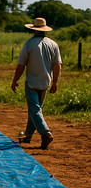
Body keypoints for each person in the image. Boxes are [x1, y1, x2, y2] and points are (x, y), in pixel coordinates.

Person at [11, 16, 62, 150]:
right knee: (35, 111)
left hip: (32, 82)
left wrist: (15, 80)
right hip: (45, 82)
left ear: (34, 30)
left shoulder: (29, 44)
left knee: (35, 110)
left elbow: (21, 65)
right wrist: (55, 82)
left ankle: (46, 133)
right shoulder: (53, 44)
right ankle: (28, 135)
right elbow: (57, 65)